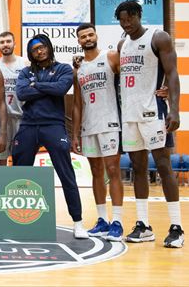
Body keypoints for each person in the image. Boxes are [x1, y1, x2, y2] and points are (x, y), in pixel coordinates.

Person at [115, 0, 184, 248]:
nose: (126, 24)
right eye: (122, 20)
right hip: (130, 116)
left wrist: (175, 108)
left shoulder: (159, 37)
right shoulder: (122, 44)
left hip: (154, 112)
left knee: (164, 166)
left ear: (138, 15)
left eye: (129, 18)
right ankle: (143, 225)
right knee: (138, 168)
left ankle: (177, 226)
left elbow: (173, 73)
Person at [12, 34, 88, 239]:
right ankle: (16, 220)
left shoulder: (63, 69)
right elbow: (21, 93)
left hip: (53, 125)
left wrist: (35, 85)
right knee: (19, 175)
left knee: (66, 174)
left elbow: (62, 88)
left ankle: (78, 222)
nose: (39, 51)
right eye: (35, 49)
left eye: (42, 46)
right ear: (31, 53)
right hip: (28, 125)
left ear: (49, 47)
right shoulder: (26, 72)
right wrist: (46, 88)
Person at [71, 23, 124, 241]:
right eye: (83, 37)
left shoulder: (111, 57)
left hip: (110, 122)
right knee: (95, 172)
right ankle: (102, 220)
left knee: (113, 170)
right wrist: (74, 133)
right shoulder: (78, 68)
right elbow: (76, 104)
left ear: (96, 36)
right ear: (78, 41)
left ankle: (118, 222)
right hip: (89, 125)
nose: (87, 39)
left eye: (90, 34)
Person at [0, 32, 29, 165]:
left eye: (8, 41)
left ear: (14, 44)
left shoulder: (25, 63)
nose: (5, 44)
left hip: (21, 118)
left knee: (20, 158)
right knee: (1, 159)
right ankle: (1, 185)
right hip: (1, 120)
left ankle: (17, 185)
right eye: (2, 42)